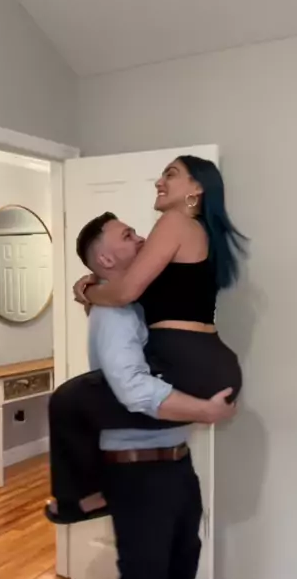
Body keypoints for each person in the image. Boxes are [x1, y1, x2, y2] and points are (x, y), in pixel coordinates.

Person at [67, 217, 236, 579]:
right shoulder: (113, 316)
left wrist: (89, 287)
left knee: (181, 570)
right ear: (105, 259)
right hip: (136, 471)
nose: (141, 238)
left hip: (174, 461)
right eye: (127, 236)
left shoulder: (135, 301)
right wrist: (205, 411)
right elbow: (133, 389)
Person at [75, 154, 245, 410]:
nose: (159, 182)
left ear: (197, 187)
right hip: (209, 361)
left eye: (171, 174)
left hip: (186, 361)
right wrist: (97, 282)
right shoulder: (200, 231)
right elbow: (132, 285)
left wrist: (88, 292)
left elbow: (124, 293)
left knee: (70, 402)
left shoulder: (175, 221)